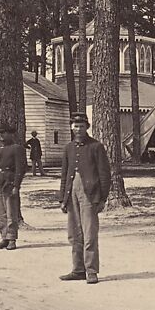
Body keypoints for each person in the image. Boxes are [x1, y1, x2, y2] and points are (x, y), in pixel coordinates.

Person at [58, 113, 111, 284]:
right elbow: (65, 174)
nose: (78, 129)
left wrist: (102, 198)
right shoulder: (68, 148)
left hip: (90, 194)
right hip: (71, 193)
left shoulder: (96, 147)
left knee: (89, 234)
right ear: (71, 127)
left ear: (87, 127)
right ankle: (78, 269)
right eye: (75, 126)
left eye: (81, 126)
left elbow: (104, 174)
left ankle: (91, 271)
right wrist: (62, 199)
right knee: (74, 234)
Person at [0, 125, 26, 251]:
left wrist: (16, 185)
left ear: (11, 134)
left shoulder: (17, 148)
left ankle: (12, 239)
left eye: (3, 133)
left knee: (11, 211)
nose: (0, 136)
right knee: (0, 212)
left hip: (9, 181)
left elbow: (21, 169)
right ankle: (4, 237)